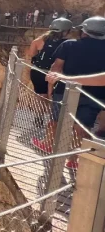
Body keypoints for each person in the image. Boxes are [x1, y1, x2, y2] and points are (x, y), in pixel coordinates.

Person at [45, 17, 105, 167]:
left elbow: (56, 67)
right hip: (95, 94)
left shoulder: (69, 45)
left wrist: (50, 89)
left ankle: (53, 154)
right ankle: (72, 159)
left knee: (57, 121)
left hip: (65, 90)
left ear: (83, 31)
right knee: (83, 126)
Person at [28, 18, 74, 152]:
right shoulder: (65, 44)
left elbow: (32, 53)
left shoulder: (39, 40)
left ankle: (39, 116)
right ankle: (51, 121)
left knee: (40, 95)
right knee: (52, 96)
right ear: (66, 31)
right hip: (53, 73)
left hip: (37, 72)